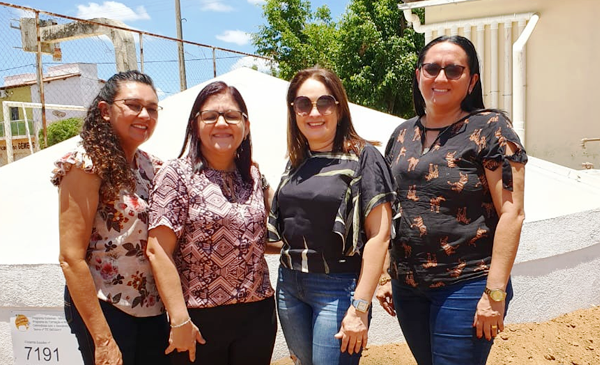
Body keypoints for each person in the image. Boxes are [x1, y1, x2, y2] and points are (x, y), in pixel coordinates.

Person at [378, 35, 527, 365]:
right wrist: (389, 274)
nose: (441, 77)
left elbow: (512, 213)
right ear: (418, 74)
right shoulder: (401, 134)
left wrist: (495, 293)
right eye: (431, 68)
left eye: (454, 70)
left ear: (472, 80)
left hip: (467, 285)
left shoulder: (491, 128)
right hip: (408, 287)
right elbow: (395, 208)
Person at [267, 67, 396, 365]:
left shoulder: (364, 158)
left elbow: (379, 237)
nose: (314, 112)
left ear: (339, 107)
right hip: (289, 285)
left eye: (324, 102)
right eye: (303, 104)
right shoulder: (296, 162)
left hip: (337, 287)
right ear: (293, 111)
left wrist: (360, 307)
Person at [145, 81, 277, 365]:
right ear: (195, 124)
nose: (221, 123)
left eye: (231, 115)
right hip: (198, 319)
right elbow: (158, 250)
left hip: (257, 315)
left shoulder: (253, 177)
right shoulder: (176, 174)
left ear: (246, 125)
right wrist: (179, 320)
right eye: (210, 116)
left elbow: (268, 238)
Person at [52, 70, 169, 365]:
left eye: (152, 108)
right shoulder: (85, 164)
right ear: (105, 111)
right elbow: (70, 258)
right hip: (106, 309)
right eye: (133, 105)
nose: (144, 115)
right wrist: (102, 339)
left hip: (151, 308)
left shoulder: (151, 166)